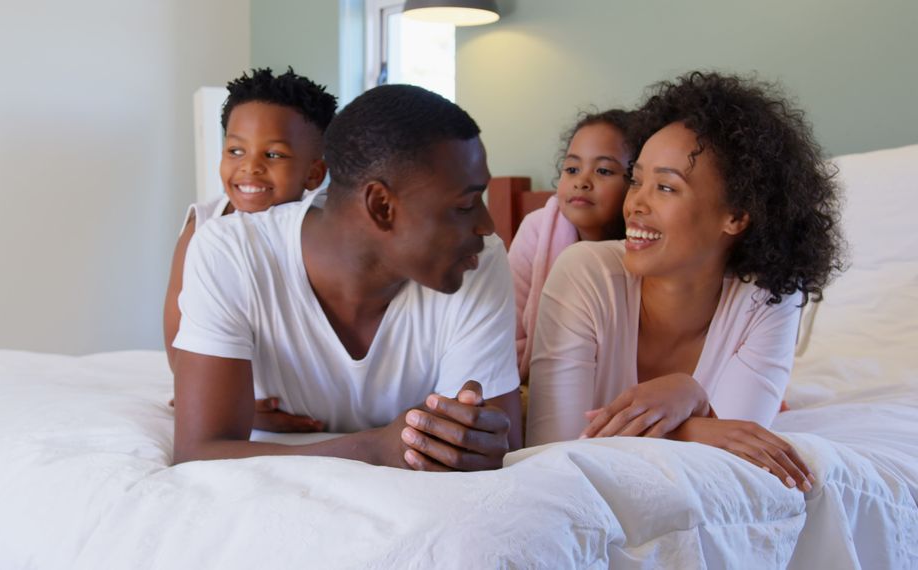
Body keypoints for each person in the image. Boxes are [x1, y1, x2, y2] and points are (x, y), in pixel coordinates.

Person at [171, 84, 522, 471]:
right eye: (466, 205)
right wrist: (374, 449)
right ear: (381, 205)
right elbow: (198, 452)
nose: (487, 225)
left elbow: (499, 449)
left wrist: (479, 440)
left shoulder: (478, 262)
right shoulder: (230, 252)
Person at [527, 72, 844, 490]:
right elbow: (551, 454)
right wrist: (693, 410)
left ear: (736, 215)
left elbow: (738, 460)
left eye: (665, 187)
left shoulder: (767, 297)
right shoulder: (584, 274)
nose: (636, 203)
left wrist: (686, 404)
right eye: (636, 180)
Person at [162, 67, 337, 433]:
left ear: (314, 174)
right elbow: (178, 333)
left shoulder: (320, 231)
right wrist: (207, 396)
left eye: (273, 155)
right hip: (224, 382)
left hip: (303, 391)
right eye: (236, 150)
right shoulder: (204, 226)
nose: (249, 167)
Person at [508, 109, 635, 381]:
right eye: (572, 169)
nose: (582, 181)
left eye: (603, 170)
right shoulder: (537, 229)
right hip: (537, 379)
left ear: (635, 184)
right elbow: (507, 333)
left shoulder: (644, 246)